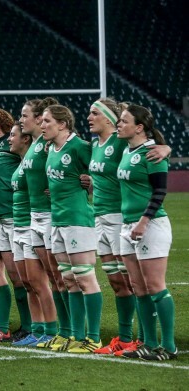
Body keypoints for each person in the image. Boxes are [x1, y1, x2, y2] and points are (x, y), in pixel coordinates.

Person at [83, 98, 171, 355]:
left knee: (140, 284)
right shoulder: (95, 145)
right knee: (120, 282)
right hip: (103, 218)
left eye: (94, 112)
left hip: (128, 219)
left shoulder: (121, 144)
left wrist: (165, 148)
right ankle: (131, 339)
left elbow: (151, 150)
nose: (88, 117)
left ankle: (149, 340)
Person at [116, 104, 176, 360]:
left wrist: (143, 221)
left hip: (150, 225)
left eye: (124, 121)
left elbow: (160, 192)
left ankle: (169, 345)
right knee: (138, 287)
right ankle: (149, 343)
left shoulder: (152, 153)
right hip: (128, 225)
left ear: (139, 127)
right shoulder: (128, 150)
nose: (119, 124)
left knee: (155, 286)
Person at [42, 104, 103, 353]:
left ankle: (94, 338)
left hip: (78, 220)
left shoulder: (79, 147)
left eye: (47, 121)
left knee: (85, 277)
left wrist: (91, 183)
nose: (43, 125)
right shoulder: (50, 149)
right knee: (68, 279)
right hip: (58, 221)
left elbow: (103, 175)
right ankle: (76, 336)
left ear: (63, 124)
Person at [19, 97, 69, 348]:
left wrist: (83, 179)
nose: (21, 119)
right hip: (32, 218)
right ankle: (40, 329)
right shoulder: (36, 145)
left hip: (51, 217)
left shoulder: (49, 145)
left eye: (24, 115)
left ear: (39, 119)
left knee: (57, 277)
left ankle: (62, 329)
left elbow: (80, 159)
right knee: (34, 279)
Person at [9, 122, 57, 347]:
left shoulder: (43, 151)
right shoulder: (24, 162)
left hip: (32, 223)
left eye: (13, 135)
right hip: (19, 226)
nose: (10, 139)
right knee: (28, 283)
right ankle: (37, 330)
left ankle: (51, 328)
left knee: (40, 282)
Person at [0, 107, 28, 343]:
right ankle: (24, 325)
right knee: (14, 275)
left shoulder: (15, 148)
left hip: (16, 218)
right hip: (0, 220)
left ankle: (32, 325)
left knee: (23, 277)